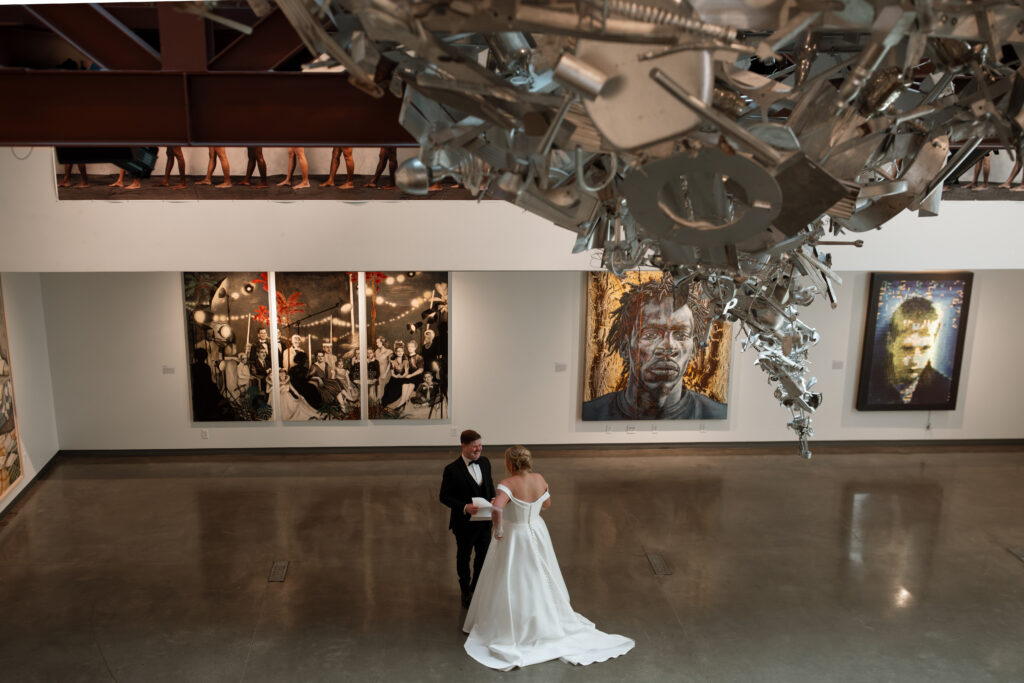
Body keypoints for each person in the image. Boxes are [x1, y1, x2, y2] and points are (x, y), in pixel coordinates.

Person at [463, 446, 634, 670]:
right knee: (540, 572)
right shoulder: (539, 478)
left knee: (514, 577)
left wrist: (500, 529)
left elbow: (496, 510)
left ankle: (518, 622)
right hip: (536, 530)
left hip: (516, 536)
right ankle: (544, 615)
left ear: (510, 464)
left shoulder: (507, 484)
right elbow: (546, 504)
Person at [582, 278, 726, 420]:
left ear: (693, 348)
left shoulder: (717, 415)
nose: (669, 346)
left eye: (681, 335)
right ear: (625, 347)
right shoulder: (591, 414)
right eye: (651, 334)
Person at [439, 429, 495, 608]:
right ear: (463, 446)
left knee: (482, 557)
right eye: (474, 446)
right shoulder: (451, 470)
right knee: (463, 557)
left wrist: (493, 498)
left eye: (480, 445)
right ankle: (465, 591)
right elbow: (444, 497)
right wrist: (464, 507)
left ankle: (476, 588)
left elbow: (489, 485)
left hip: (485, 522)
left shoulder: (485, 462)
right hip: (463, 524)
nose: (479, 449)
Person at [868, 296, 952, 405]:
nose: (915, 361)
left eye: (925, 348)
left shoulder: (945, 390)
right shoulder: (869, 383)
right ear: (890, 343)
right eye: (907, 348)